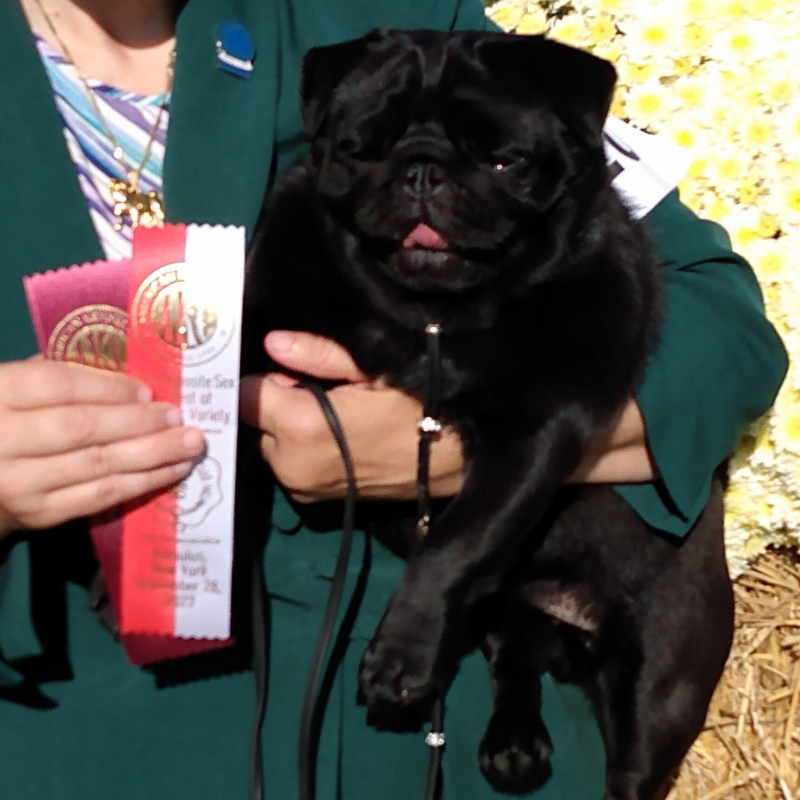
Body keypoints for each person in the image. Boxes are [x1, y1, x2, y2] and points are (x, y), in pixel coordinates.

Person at [0, 0, 787, 798]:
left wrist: (450, 447)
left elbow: (724, 331)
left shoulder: (396, 23)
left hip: (441, 730)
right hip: (82, 734)